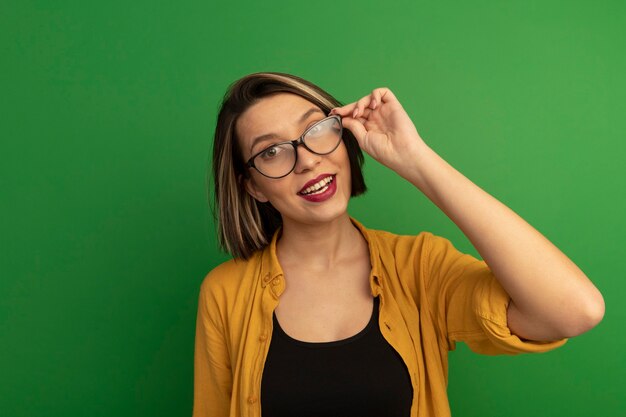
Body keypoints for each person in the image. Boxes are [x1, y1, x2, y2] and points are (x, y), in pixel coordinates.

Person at [193, 71, 605, 417]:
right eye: (272, 152)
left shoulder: (420, 267)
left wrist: (416, 159)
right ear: (253, 187)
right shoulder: (226, 292)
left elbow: (575, 310)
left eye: (316, 130)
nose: (306, 160)